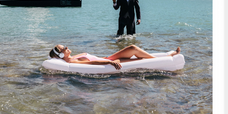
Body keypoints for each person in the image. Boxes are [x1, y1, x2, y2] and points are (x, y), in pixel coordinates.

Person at [49, 44, 181, 70]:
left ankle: (167, 55)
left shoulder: (74, 56)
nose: (67, 47)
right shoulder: (73, 61)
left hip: (108, 58)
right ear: (61, 54)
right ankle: (167, 58)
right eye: (63, 48)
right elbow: (91, 64)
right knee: (133, 50)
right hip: (109, 61)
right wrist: (110, 63)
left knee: (134, 51)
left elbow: (93, 58)